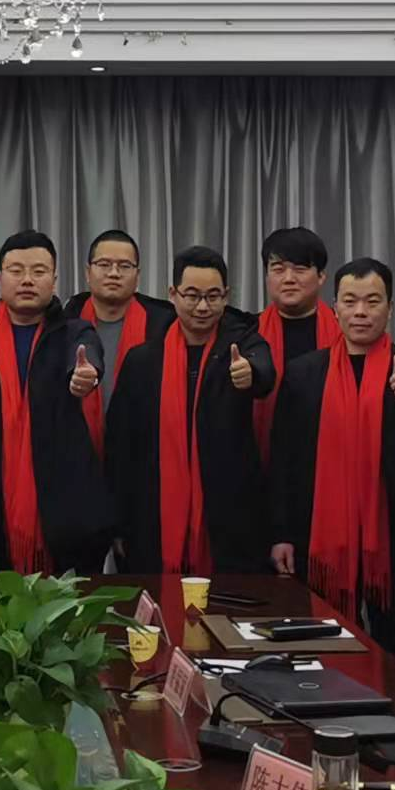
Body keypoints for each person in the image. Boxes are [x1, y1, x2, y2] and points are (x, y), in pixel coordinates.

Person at [268, 257, 395, 660]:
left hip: (389, 531)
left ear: (390, 308)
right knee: (321, 641)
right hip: (317, 533)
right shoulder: (304, 372)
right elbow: (283, 458)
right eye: (350, 301)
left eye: (372, 301)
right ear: (335, 308)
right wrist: (281, 533)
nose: (361, 312)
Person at [107, 246, 275, 575]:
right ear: (173, 294)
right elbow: (120, 446)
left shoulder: (242, 345)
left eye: (213, 296)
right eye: (192, 295)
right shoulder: (143, 360)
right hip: (151, 518)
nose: (202, 307)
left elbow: (264, 370)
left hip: (227, 522)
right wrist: (118, 523)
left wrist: (251, 374)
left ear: (226, 296)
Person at [0, 230, 113, 575]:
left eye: (39, 271)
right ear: (0, 279)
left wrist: (86, 374)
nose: (28, 280)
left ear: (54, 280)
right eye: (16, 271)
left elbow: (88, 353)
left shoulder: (74, 331)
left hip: (64, 514)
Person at [65, 229, 176, 457]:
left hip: (143, 455)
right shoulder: (66, 322)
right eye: (104, 264)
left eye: (125, 266)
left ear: (138, 275)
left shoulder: (164, 325)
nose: (114, 273)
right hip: (76, 454)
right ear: (88, 272)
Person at [254, 227, 341, 465]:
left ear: (321, 276)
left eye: (300, 269)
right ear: (267, 277)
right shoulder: (248, 334)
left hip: (330, 461)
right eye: (278, 269)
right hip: (265, 467)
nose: (289, 279)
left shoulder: (346, 334)